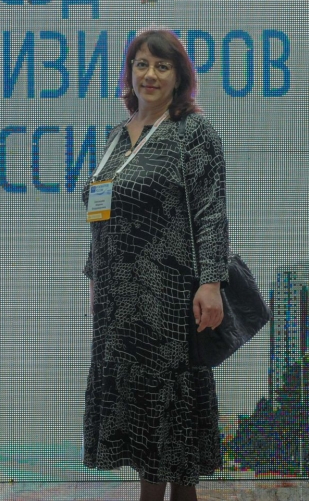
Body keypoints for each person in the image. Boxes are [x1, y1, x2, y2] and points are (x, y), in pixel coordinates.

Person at [82, 28, 228, 501]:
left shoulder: (192, 132)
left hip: (167, 297)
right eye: (142, 64)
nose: (150, 74)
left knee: (170, 414)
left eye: (162, 66)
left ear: (179, 76)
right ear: (129, 73)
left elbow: (211, 211)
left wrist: (211, 282)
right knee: (139, 413)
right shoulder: (116, 137)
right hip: (119, 304)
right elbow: (102, 215)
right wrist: (94, 276)